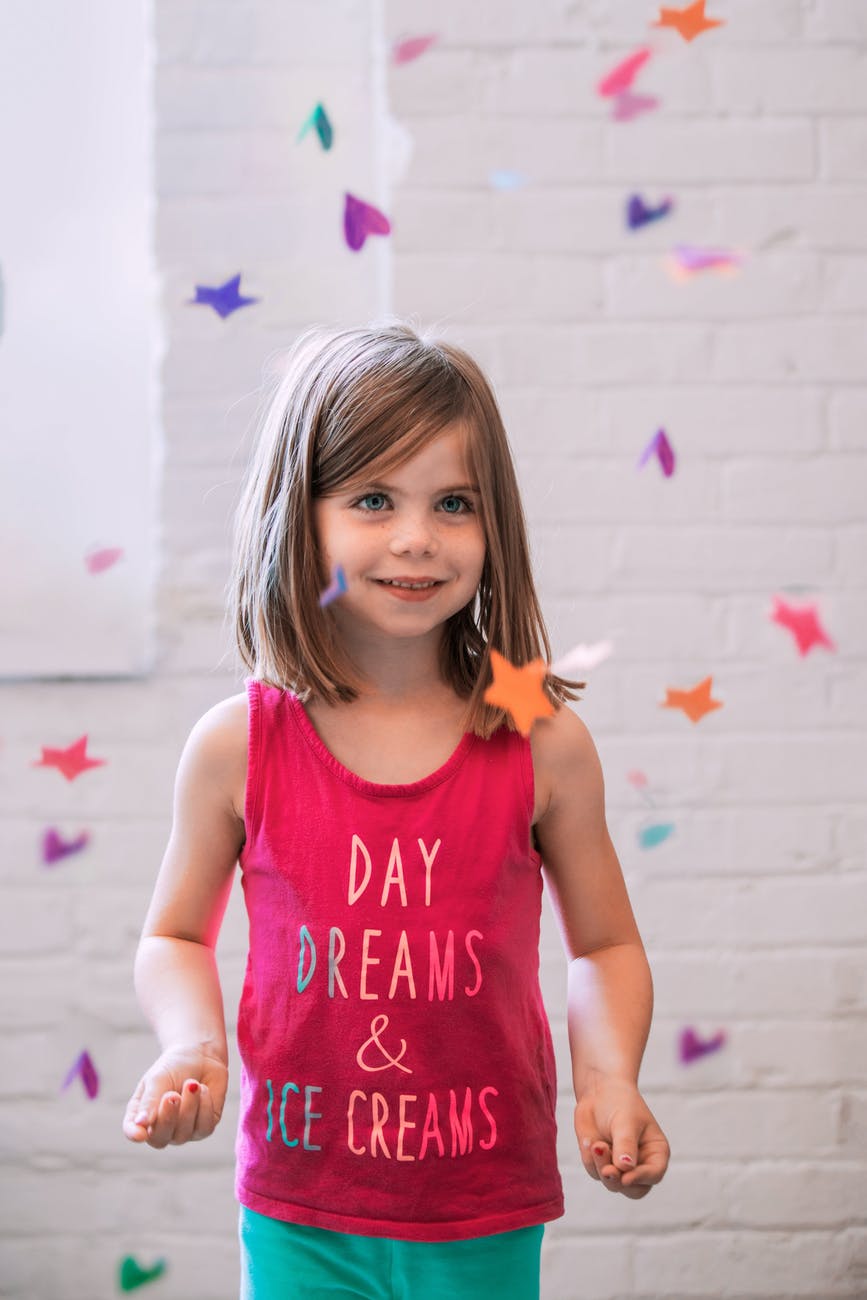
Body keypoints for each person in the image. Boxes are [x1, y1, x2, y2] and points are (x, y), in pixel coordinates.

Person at [123, 322, 670, 1300]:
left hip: (481, 1206)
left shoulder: (541, 742)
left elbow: (604, 948)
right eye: (374, 498)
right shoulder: (235, 747)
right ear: (304, 517)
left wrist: (608, 1077)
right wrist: (190, 1043)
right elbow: (173, 932)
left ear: (492, 523)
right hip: (298, 1210)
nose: (417, 536)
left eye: (453, 502)